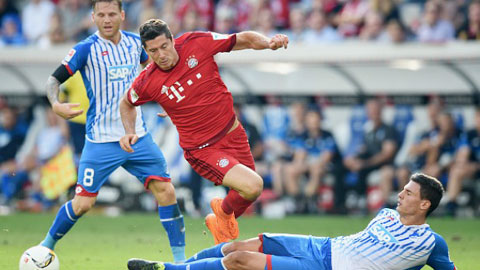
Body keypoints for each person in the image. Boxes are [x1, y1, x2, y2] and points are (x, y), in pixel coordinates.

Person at [40, 0, 186, 263]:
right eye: (101, 15)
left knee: (167, 192)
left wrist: (168, 99)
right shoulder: (85, 49)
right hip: (101, 141)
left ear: (122, 15)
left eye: (111, 14)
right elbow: (54, 79)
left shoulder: (135, 44)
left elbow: (157, 71)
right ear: (93, 17)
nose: (107, 20)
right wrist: (55, 103)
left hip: (137, 136)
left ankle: (181, 261)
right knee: (83, 204)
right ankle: (44, 248)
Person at [119, 19, 289, 244]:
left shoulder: (196, 42)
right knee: (254, 185)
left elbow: (242, 39)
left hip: (233, 133)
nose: (160, 55)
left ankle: (221, 216)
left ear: (172, 40)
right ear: (146, 51)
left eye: (164, 47)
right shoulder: (147, 81)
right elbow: (126, 103)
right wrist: (130, 131)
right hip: (202, 149)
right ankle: (222, 230)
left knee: (249, 193)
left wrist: (268, 43)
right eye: (152, 51)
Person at [127, 173, 456, 270]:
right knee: (241, 244)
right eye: (403, 189)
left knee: (240, 261)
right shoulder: (385, 214)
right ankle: (178, 264)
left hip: (326, 268)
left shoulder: (430, 243)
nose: (400, 194)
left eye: (409, 193)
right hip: (322, 246)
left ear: (424, 204)